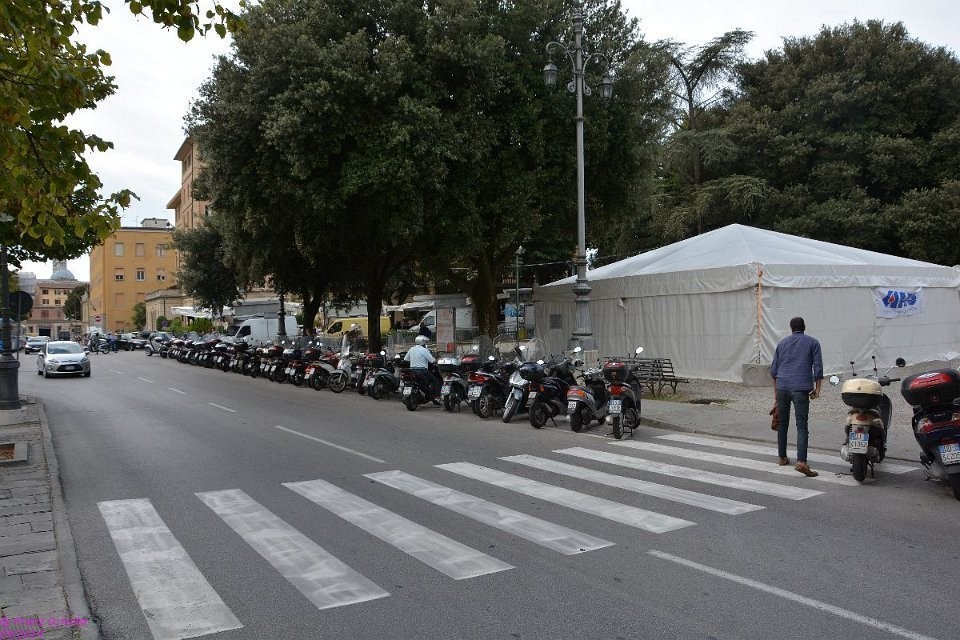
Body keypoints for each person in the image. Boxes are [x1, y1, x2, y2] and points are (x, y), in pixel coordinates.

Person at [770, 316, 823, 477]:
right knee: (801, 425)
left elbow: (773, 371)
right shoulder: (813, 343)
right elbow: (818, 367)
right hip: (800, 388)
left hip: (782, 387)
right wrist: (817, 389)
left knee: (783, 423)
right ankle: (801, 462)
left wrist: (776, 393)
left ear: (791, 328)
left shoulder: (782, 344)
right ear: (804, 327)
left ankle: (782, 457)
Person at [404, 334, 439, 400]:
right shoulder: (424, 350)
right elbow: (432, 360)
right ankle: (435, 397)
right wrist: (436, 360)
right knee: (435, 381)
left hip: (412, 370)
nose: (425, 344)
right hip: (422, 370)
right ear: (422, 342)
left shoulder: (412, 349)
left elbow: (406, 359)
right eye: (425, 342)